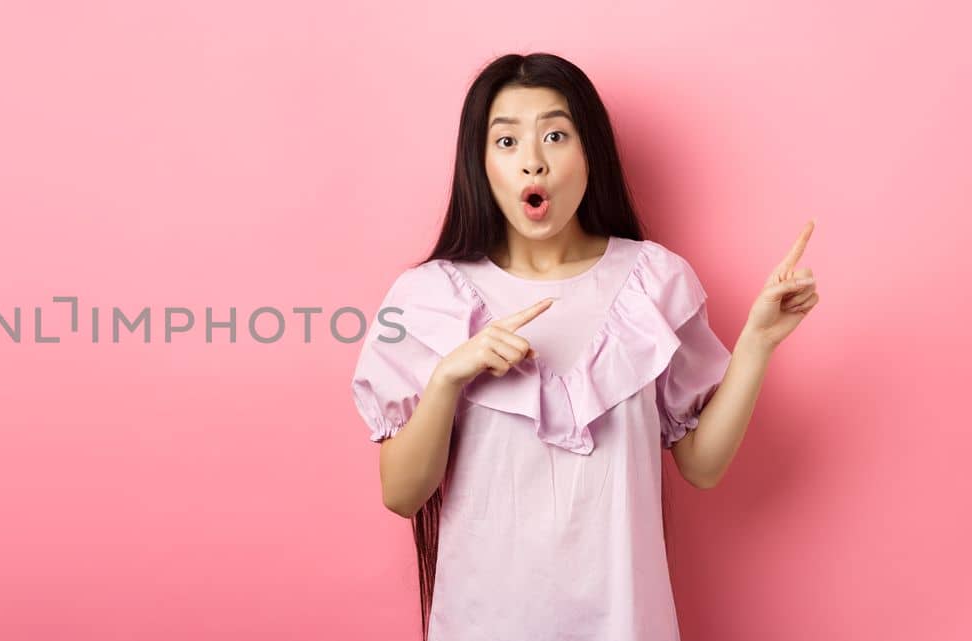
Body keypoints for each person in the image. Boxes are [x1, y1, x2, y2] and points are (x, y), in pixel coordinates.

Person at [349, 52, 820, 641]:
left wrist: (758, 342)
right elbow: (401, 494)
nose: (533, 163)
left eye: (555, 135)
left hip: (627, 624)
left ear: (589, 151)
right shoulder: (428, 297)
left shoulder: (655, 281)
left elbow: (701, 465)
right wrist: (449, 377)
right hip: (483, 623)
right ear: (480, 162)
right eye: (507, 142)